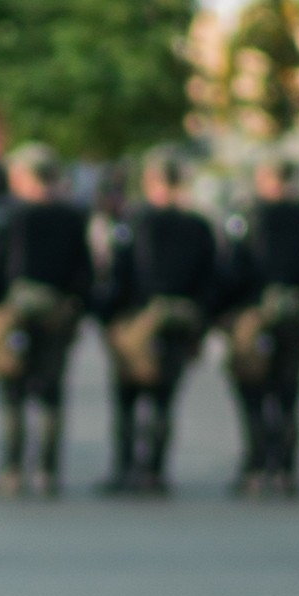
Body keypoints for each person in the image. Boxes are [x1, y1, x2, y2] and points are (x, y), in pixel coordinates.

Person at [98, 149, 218, 496]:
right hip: (179, 322)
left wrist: (109, 317)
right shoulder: (198, 226)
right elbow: (212, 278)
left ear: (150, 180)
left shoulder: (133, 222)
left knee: (127, 399)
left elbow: (118, 275)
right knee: (165, 400)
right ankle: (156, 470)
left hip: (137, 320)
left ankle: (125, 469)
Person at [0, 145, 91, 497]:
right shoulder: (73, 216)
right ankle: (47, 469)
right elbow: (83, 269)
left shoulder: (12, 215)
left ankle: (12, 468)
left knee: (12, 389)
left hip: (18, 308)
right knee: (51, 389)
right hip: (57, 308)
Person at [221, 155, 299, 497]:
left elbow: (233, 269)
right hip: (297, 313)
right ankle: (285, 467)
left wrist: (226, 314)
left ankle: (256, 464)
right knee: (287, 391)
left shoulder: (249, 215)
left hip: (255, 314)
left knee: (252, 389)